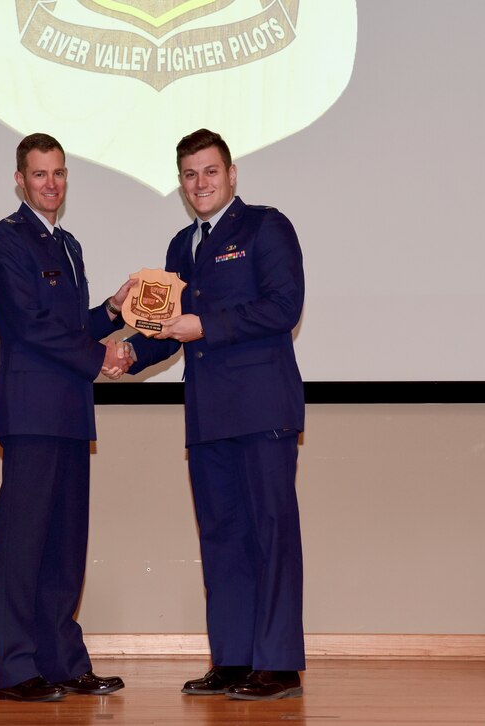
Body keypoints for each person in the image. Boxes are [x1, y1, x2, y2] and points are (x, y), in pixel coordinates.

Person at [124, 129, 306, 700]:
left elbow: (284, 306)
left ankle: (277, 663)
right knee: (222, 536)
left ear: (231, 175)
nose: (200, 183)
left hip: (261, 409)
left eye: (210, 171)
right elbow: (169, 329)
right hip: (206, 416)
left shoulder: (267, 227)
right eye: (189, 175)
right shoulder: (182, 246)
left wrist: (208, 326)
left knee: (270, 534)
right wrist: (129, 353)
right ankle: (232, 658)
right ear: (181, 184)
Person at [0, 133, 135, 702]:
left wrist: (112, 312)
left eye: (60, 174)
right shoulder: (7, 240)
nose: (52, 184)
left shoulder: (69, 245)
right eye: (40, 175)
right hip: (32, 414)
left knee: (66, 546)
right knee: (22, 546)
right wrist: (100, 355)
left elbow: (70, 329)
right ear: (20, 180)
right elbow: (28, 326)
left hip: (72, 413)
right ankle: (15, 669)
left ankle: (63, 661)